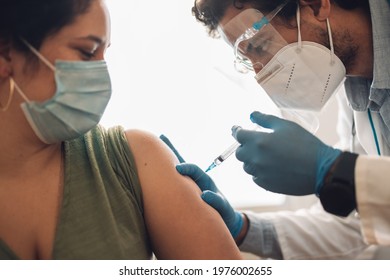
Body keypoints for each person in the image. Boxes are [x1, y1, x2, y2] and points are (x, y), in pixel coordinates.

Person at [0, 0, 243, 260]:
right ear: (6, 53)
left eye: (104, 54)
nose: (102, 75)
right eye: (87, 51)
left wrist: (250, 229)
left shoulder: (134, 157)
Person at [163, 0, 390, 259]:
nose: (261, 74)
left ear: (316, 6)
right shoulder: (357, 92)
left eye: (259, 47)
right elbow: (364, 219)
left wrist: (335, 171)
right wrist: (243, 228)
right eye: (248, 62)